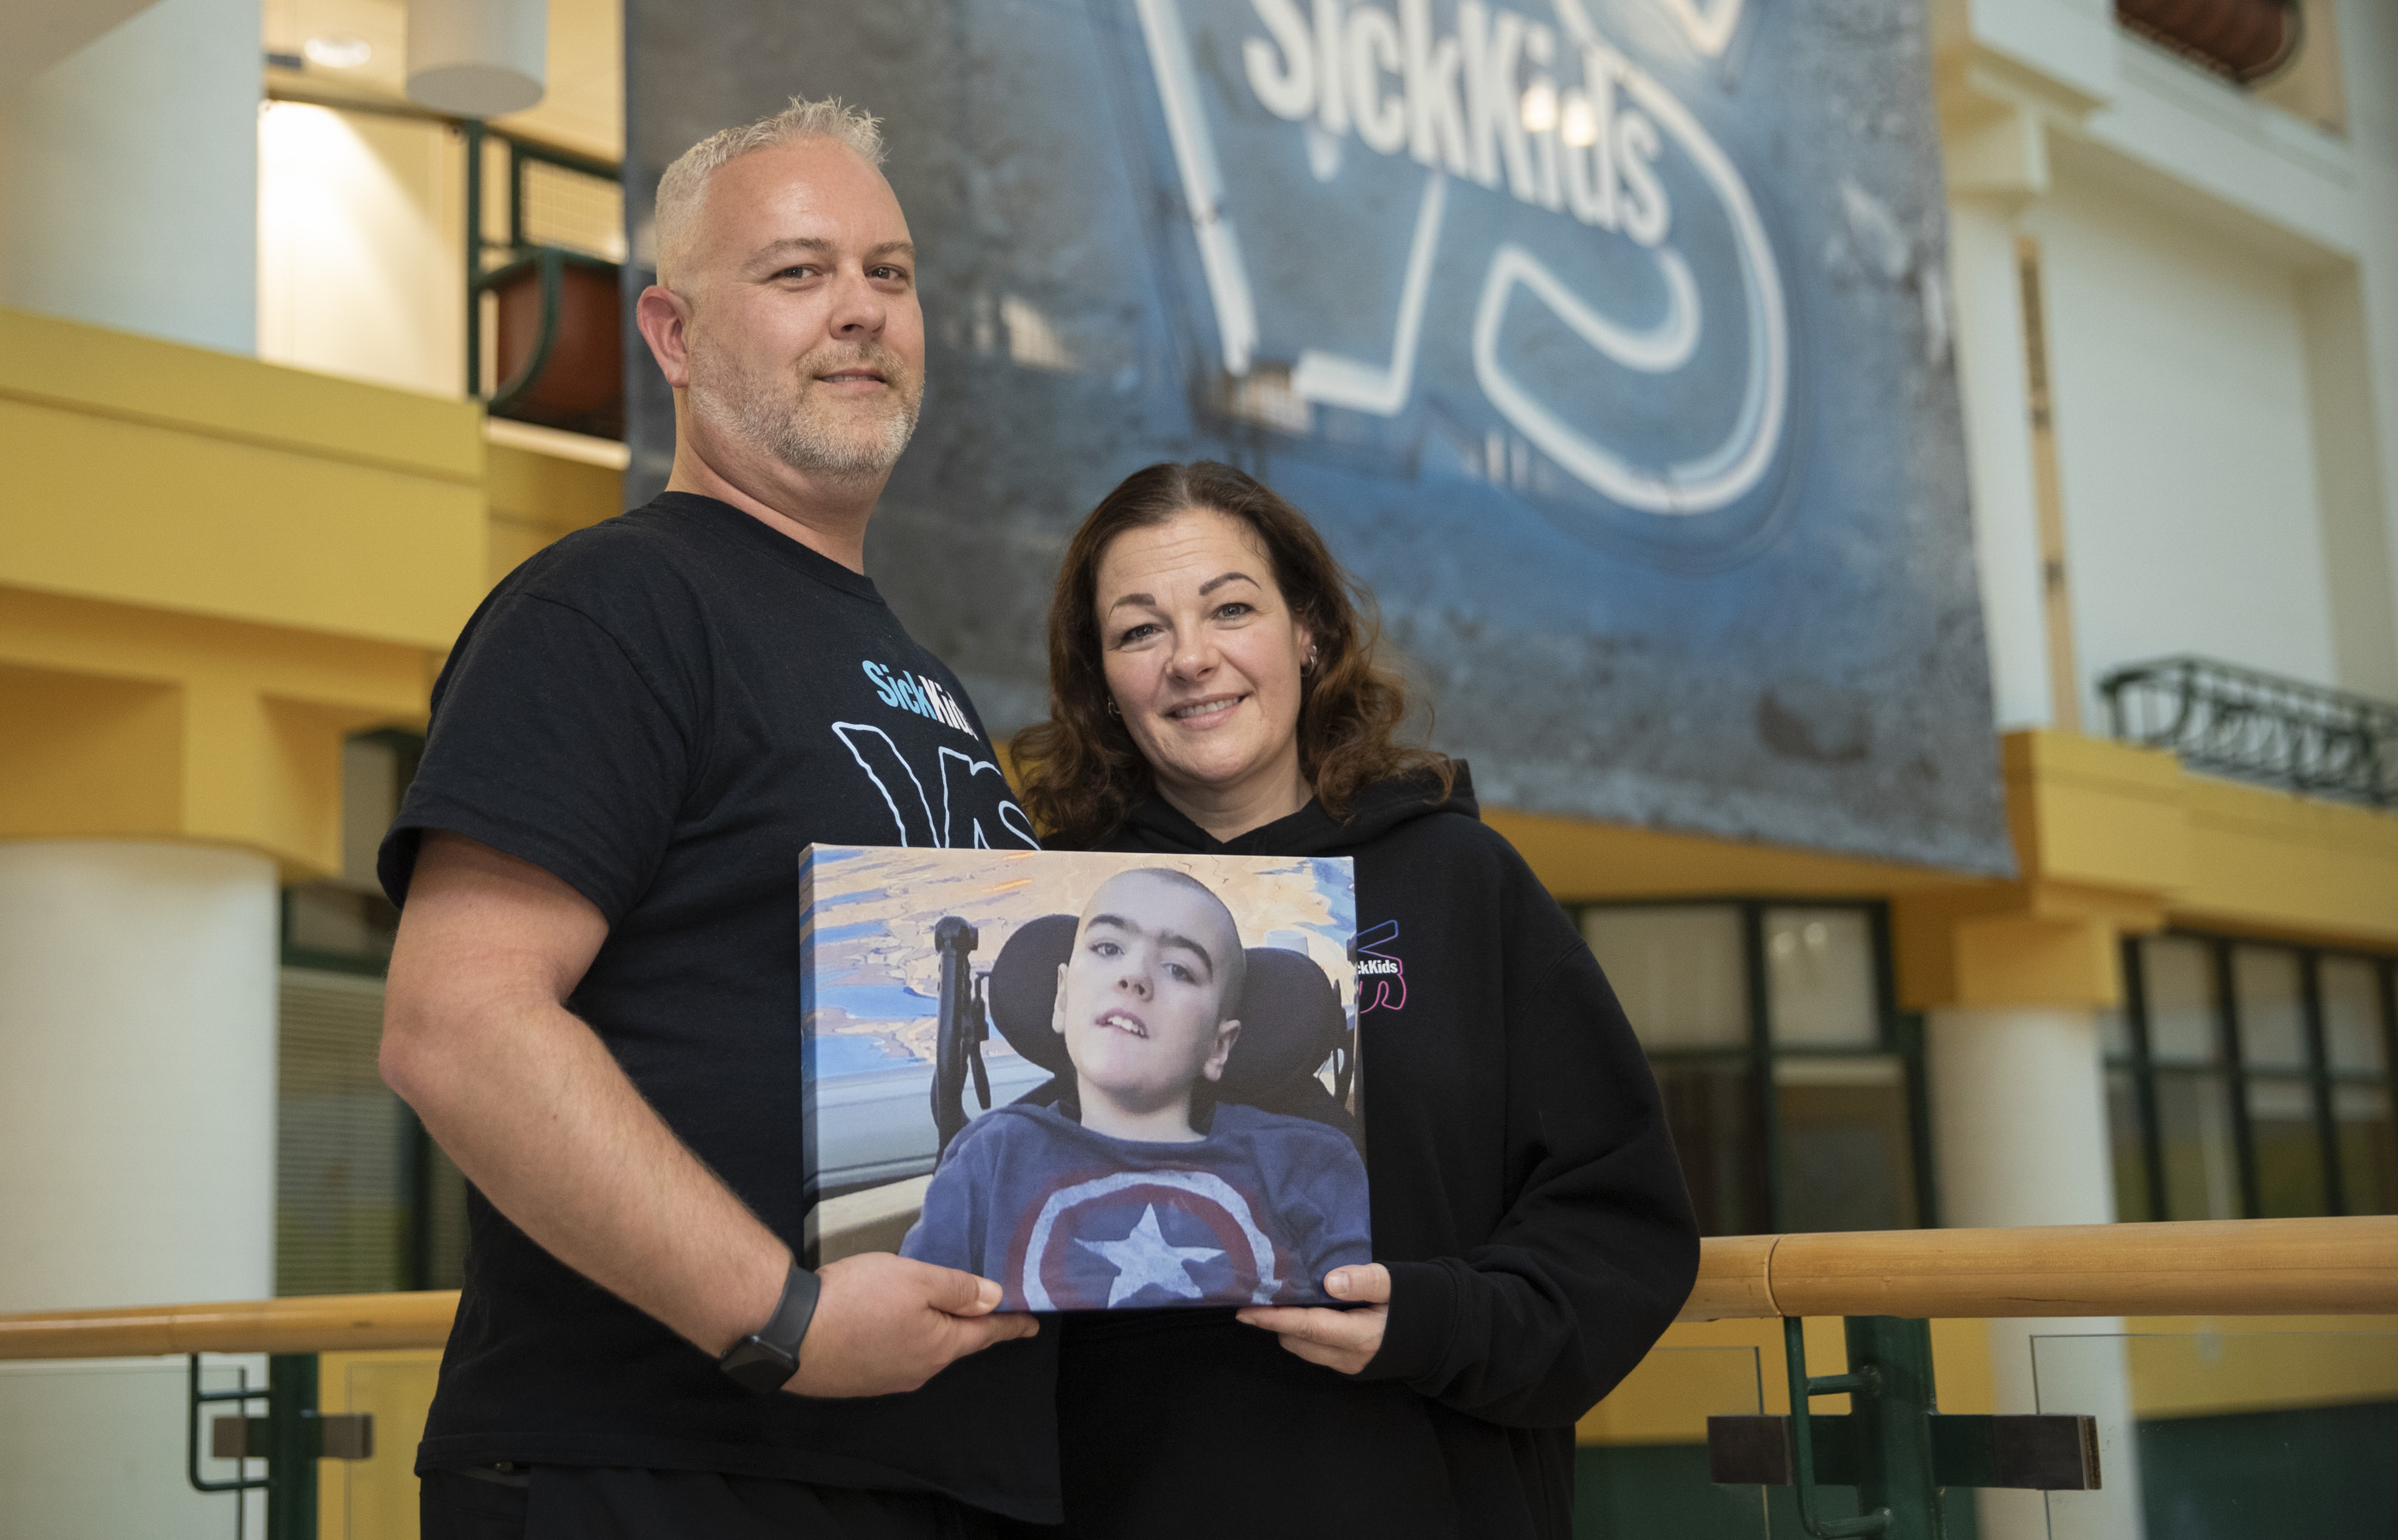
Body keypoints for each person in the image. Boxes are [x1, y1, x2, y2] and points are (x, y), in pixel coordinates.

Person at [376, 100, 1055, 1540]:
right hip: (669, 1470)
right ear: (674, 337)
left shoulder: (917, 672)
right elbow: (459, 1027)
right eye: (800, 273)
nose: (863, 312)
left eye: (891, 272)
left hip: (925, 1472)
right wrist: (783, 1319)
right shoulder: (611, 605)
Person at [1009, 462, 1701, 1540]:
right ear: (1101, 682)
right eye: (1139, 630)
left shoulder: (1464, 883)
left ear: (1311, 635)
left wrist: (1434, 1320)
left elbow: (1622, 1226)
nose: (1192, 658)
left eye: (1231, 608)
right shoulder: (1046, 909)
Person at [898, 868, 1371, 1310]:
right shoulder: (991, 1160)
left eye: (1179, 969)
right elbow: (917, 1330)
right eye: (1108, 948)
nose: (1135, 976)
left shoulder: (1308, 1163)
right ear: (1062, 997)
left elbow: (1368, 1324)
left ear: (1218, 1046)